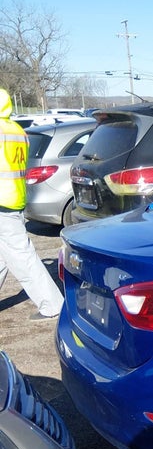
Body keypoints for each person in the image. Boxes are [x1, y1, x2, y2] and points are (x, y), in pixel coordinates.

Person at [0, 88, 64, 321]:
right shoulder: (17, 131)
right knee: (7, 255)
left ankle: (52, 304)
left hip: (2, 203)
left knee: (22, 256)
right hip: (13, 198)